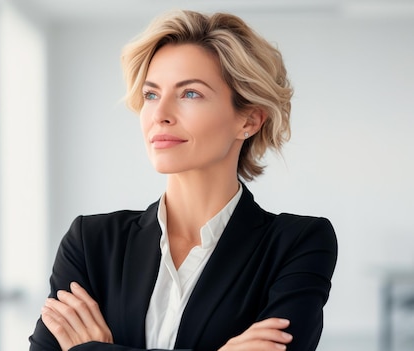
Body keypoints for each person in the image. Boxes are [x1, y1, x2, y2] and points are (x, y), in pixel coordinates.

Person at [29, 9, 337, 351]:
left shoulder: (297, 244)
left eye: (190, 93)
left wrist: (92, 348)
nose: (159, 115)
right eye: (150, 94)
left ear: (249, 120)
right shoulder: (91, 243)